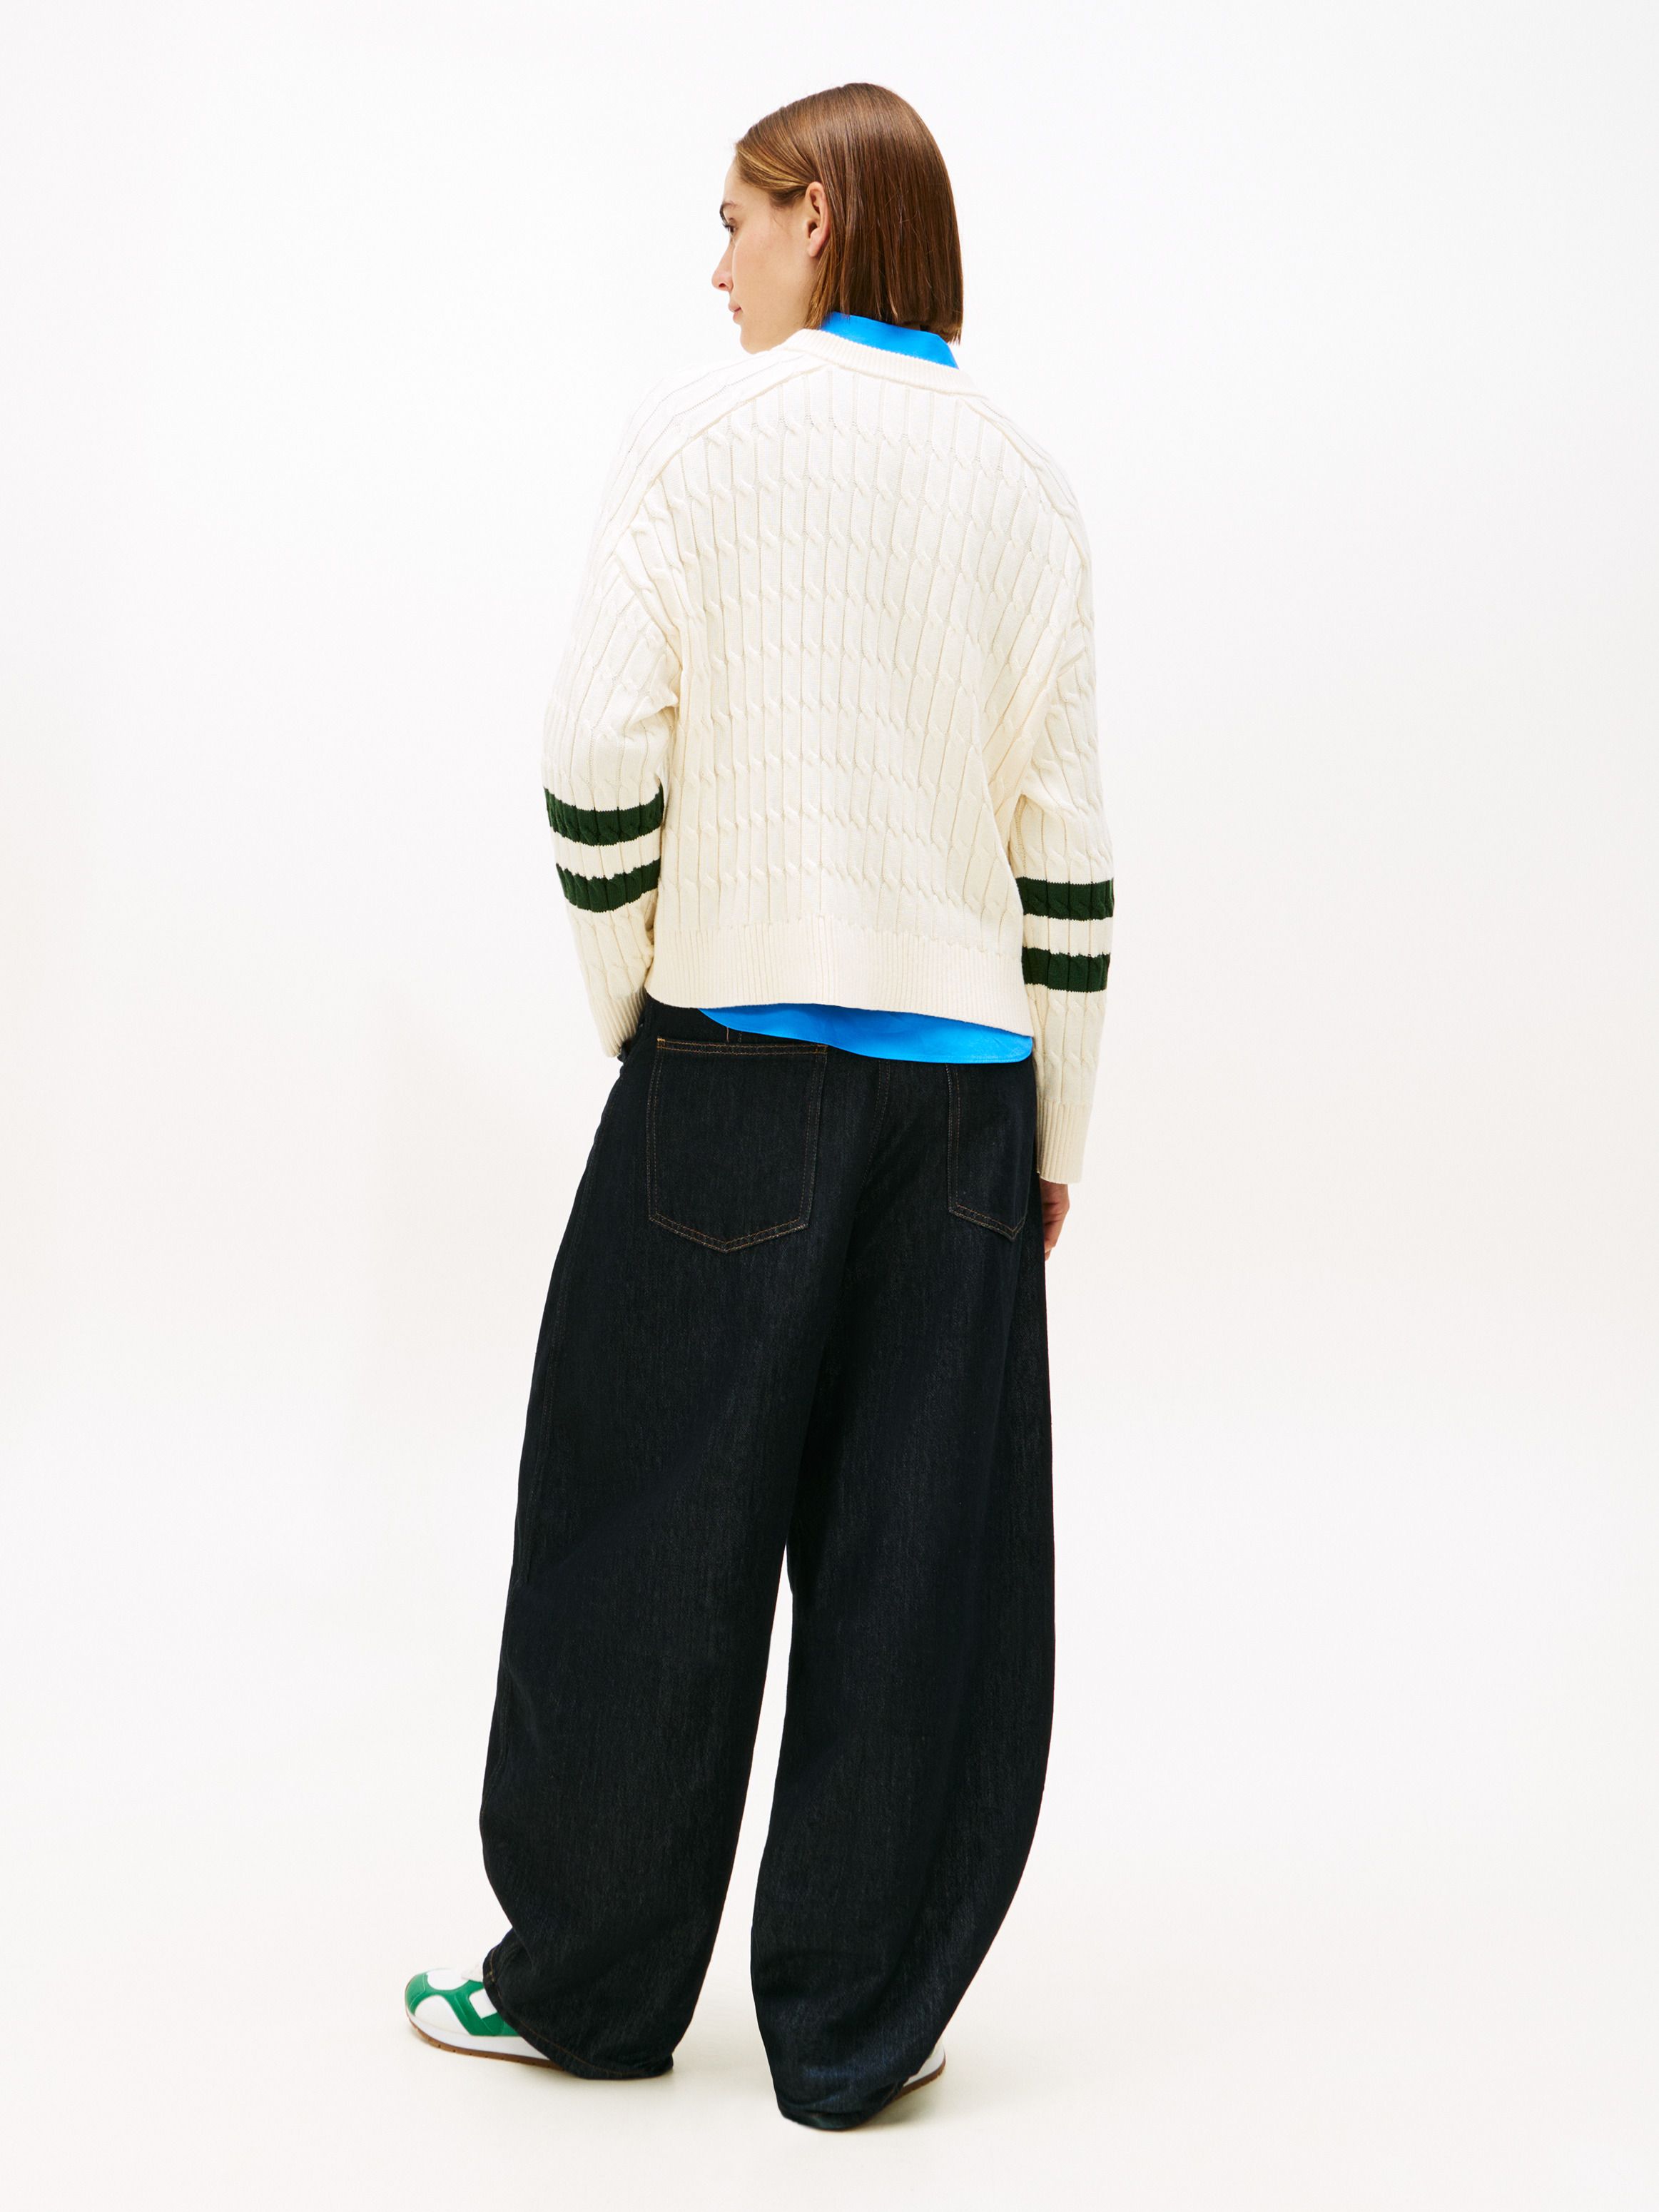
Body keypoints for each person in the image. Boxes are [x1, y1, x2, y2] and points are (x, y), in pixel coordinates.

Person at [405, 80, 1115, 2131]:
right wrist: (1054, 1135)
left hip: (730, 1061)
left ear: (819, 218)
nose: (714, 266)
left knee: (643, 1524)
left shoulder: (703, 439)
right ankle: (859, 2027)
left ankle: (592, 1987)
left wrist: (637, 1001)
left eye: (735, 220)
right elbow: (1066, 851)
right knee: (922, 1567)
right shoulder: (1027, 485)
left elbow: (591, 754)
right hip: (966, 1099)